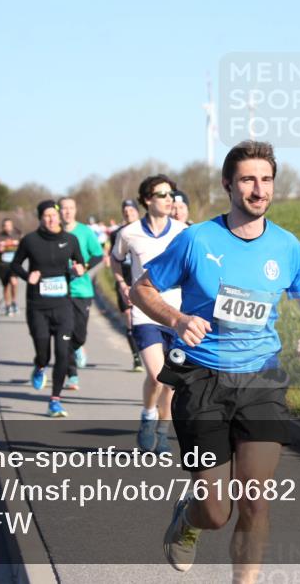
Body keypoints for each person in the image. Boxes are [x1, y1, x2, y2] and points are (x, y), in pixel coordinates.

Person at [130, 141, 300, 580]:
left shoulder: (287, 246)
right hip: (202, 379)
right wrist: (177, 319)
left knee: (256, 499)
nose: (259, 190)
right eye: (248, 180)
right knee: (216, 512)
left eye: (266, 180)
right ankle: (189, 519)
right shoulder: (196, 239)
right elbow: (140, 289)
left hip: (261, 379)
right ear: (227, 185)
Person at [111, 176, 187, 453]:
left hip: (177, 314)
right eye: (162, 194)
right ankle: (147, 416)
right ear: (147, 200)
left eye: (172, 194)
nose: (170, 199)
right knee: (157, 376)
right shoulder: (129, 233)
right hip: (144, 314)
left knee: (172, 381)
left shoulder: (183, 231)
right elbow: (116, 260)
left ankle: (163, 432)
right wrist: (121, 284)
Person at [10, 200, 85, 418]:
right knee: (43, 353)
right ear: (41, 218)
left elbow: (79, 264)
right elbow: (15, 264)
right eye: (46, 216)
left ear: (59, 216)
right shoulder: (30, 240)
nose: (51, 219)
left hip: (62, 305)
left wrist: (78, 270)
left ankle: (55, 400)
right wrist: (27, 276)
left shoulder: (70, 240)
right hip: (38, 306)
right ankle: (40, 366)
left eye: (53, 215)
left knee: (63, 354)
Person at [58, 197, 104, 390]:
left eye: (70, 208)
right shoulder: (54, 233)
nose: (67, 212)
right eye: (64, 208)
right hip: (60, 292)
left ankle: (78, 347)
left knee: (79, 335)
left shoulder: (84, 231)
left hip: (82, 290)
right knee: (64, 334)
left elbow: (98, 254)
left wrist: (84, 267)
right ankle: (72, 375)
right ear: (59, 211)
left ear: (75, 210)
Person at [107, 199, 144, 372]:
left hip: (143, 283)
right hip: (125, 282)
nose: (128, 213)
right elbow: (112, 259)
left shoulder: (146, 230)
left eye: (131, 210)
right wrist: (121, 282)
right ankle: (136, 357)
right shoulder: (117, 234)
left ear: (138, 211)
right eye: (125, 211)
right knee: (129, 319)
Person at [0, 218, 21, 316]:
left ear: (12, 226)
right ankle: (8, 305)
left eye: (9, 225)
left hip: (14, 264)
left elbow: (24, 247)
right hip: (3, 265)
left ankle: (14, 302)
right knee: (6, 286)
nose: (7, 227)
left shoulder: (17, 235)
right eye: (5, 225)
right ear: (3, 227)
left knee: (14, 282)